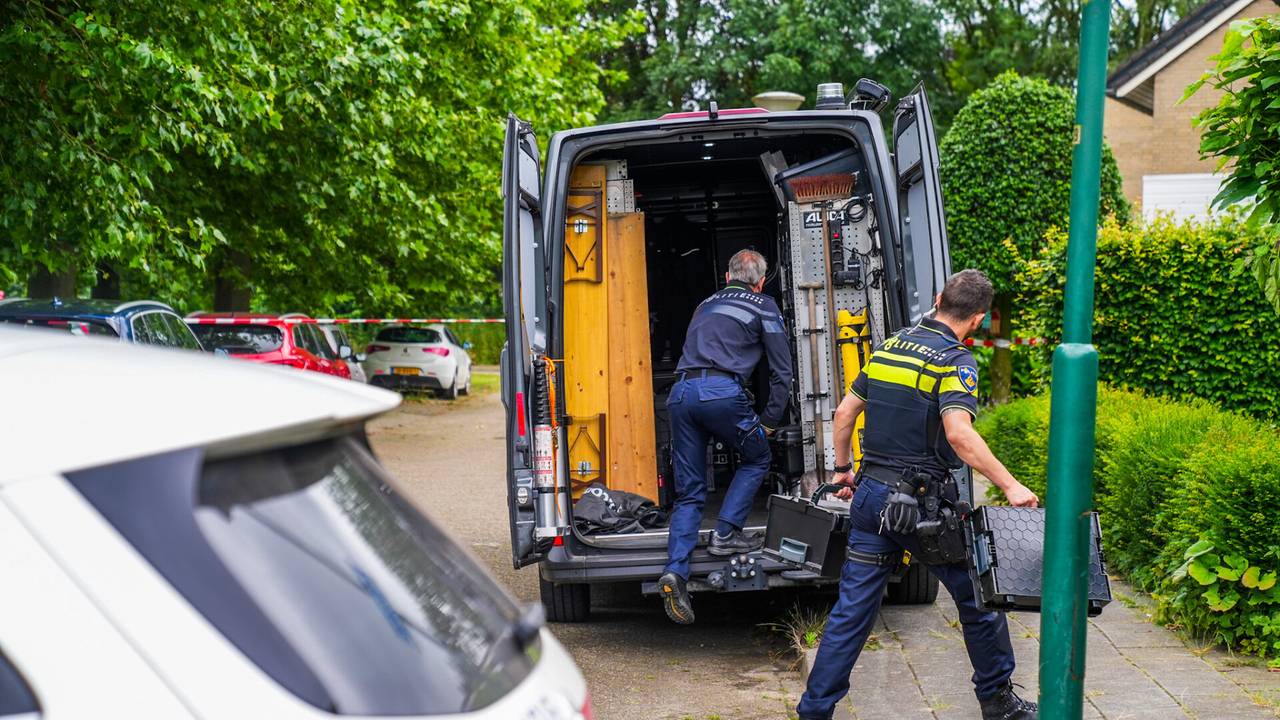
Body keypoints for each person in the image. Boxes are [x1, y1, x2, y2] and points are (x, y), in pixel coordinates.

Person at [797, 269, 1040, 720]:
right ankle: (998, 703)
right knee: (980, 596)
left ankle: (814, 710)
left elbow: (845, 413)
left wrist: (843, 471)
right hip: (922, 509)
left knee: (852, 612)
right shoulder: (954, 361)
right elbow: (959, 435)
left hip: (871, 498)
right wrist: (1010, 485)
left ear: (938, 297)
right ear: (978, 319)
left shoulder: (891, 346)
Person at [657, 249, 793, 625]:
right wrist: (769, 421)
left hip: (681, 394)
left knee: (689, 492)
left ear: (728, 276)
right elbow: (782, 372)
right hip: (720, 394)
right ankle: (725, 533)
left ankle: (675, 572)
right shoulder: (764, 305)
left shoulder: (705, 304)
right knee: (758, 456)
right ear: (760, 281)